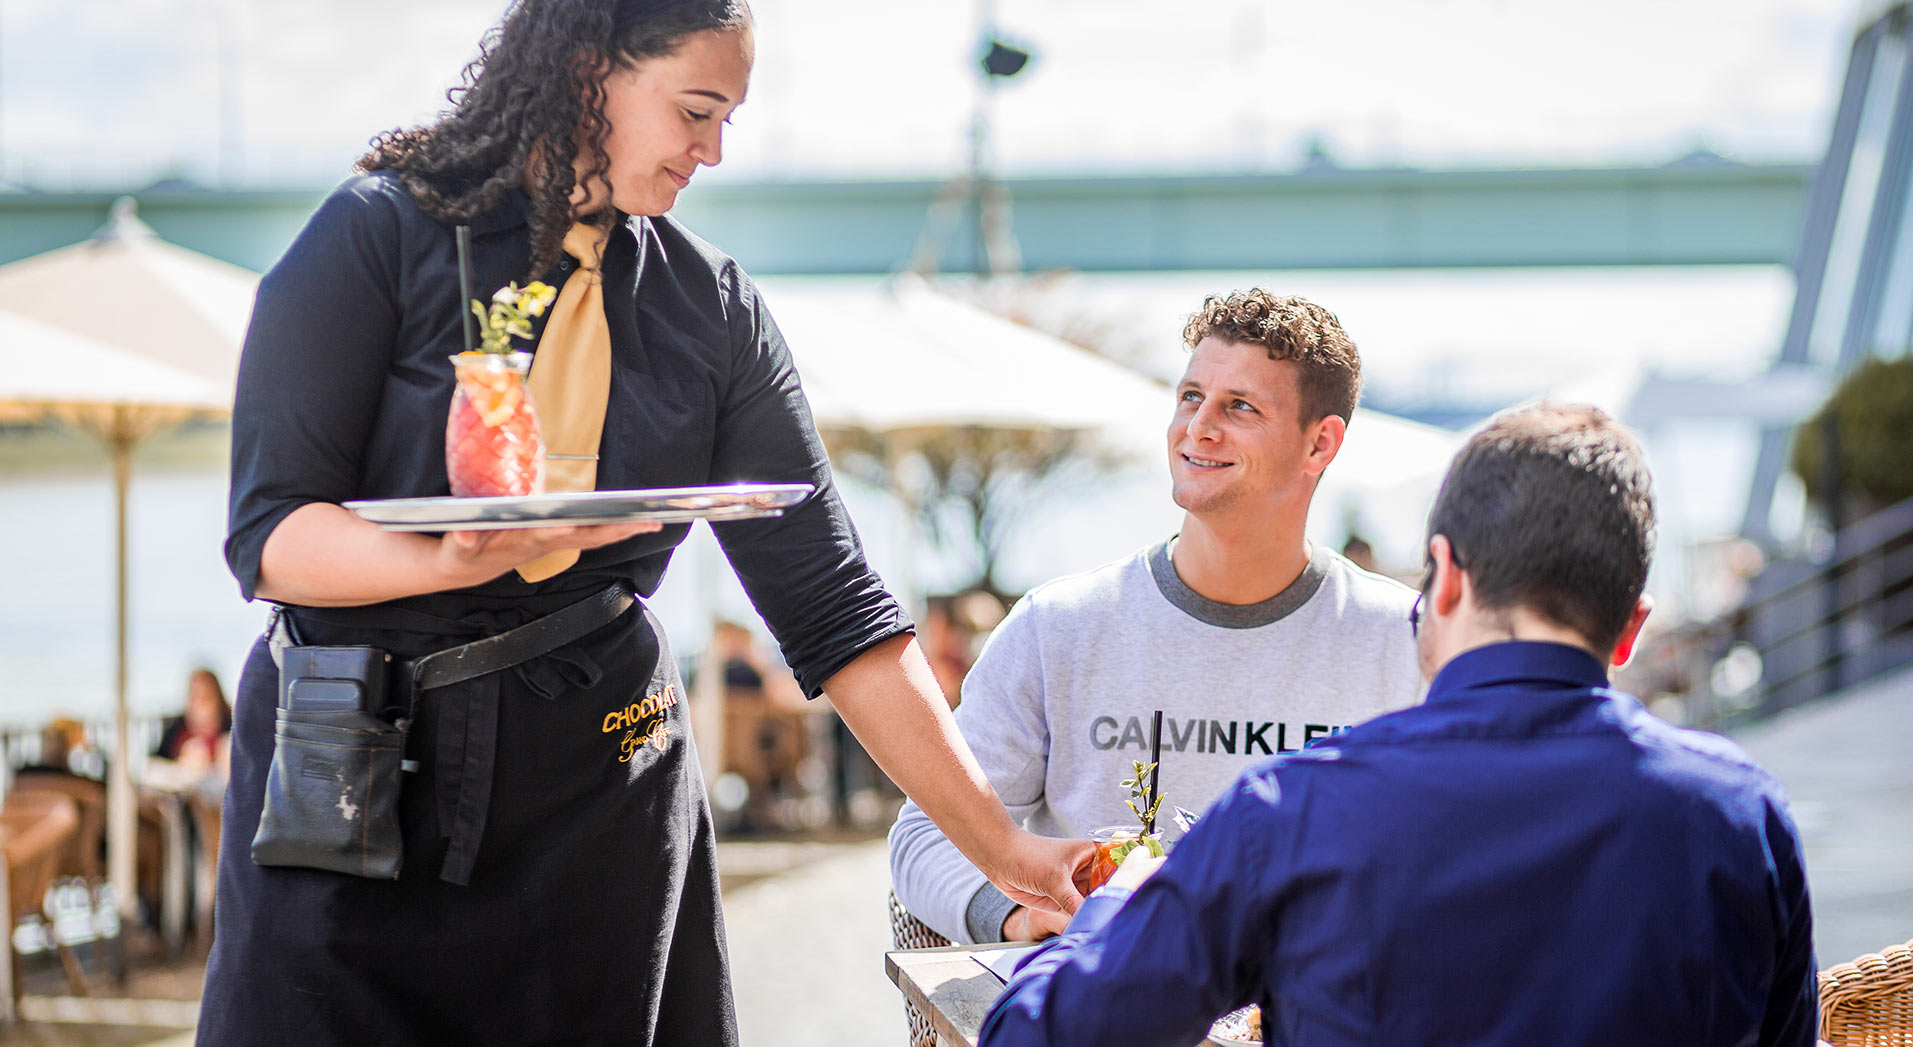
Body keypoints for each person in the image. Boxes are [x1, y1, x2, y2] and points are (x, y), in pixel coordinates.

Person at [203, 2, 1085, 1043]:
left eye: (729, 120)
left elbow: (836, 610)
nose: (712, 151)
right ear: (588, 71)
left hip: (594, 791)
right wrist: (447, 560)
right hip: (356, 786)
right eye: (696, 110)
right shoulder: (379, 234)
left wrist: (1002, 850)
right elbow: (270, 538)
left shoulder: (709, 306)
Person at [979, 403, 1818, 1047]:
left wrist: (1111, 910)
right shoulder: (1742, 816)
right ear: (1630, 628)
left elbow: (1035, 1034)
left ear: (1445, 580)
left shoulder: (1292, 811)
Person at [890, 289, 1424, 946]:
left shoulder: (1405, 642)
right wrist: (1018, 918)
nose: (1198, 426)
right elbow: (924, 836)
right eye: (1190, 396)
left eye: (1240, 407)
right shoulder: (1057, 629)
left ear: (1320, 444)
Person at [153, 667, 232, 776]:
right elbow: (155, 763)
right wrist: (181, 765)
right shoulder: (176, 727)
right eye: (195, 696)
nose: (200, 704)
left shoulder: (232, 727)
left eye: (206, 697)